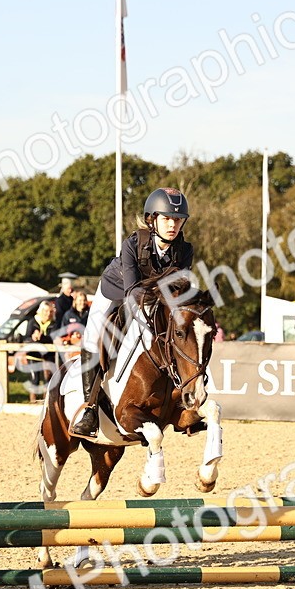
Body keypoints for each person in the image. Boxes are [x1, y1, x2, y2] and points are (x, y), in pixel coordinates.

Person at [71, 187, 195, 437]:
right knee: (95, 335)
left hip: (153, 297)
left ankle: (183, 402)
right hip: (116, 291)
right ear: (153, 219)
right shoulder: (133, 245)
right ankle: (90, 409)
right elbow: (132, 292)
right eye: (167, 218)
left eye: (178, 219)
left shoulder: (184, 250)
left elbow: (180, 289)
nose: (173, 224)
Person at [20, 300, 57, 404]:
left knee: (48, 378)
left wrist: (41, 337)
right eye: (45, 311)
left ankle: (46, 401)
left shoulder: (54, 324)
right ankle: (33, 401)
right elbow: (26, 338)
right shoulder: (33, 322)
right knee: (34, 379)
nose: (48, 314)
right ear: (40, 311)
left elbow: (52, 338)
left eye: (50, 311)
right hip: (33, 355)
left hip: (48, 356)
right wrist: (32, 338)